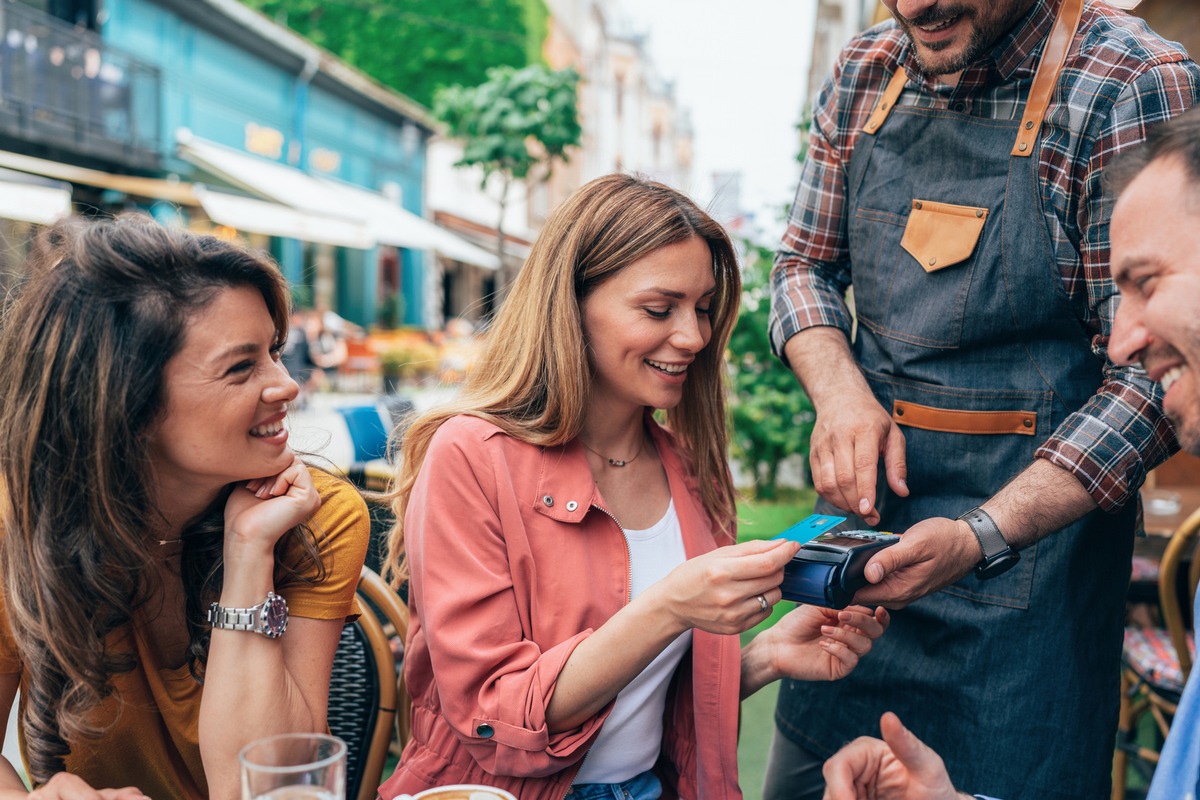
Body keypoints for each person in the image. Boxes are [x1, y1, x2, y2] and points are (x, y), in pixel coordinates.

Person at [766, 0, 1200, 797]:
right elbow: (802, 265)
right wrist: (838, 391)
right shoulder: (867, 68)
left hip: (1024, 617)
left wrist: (978, 536)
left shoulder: (1129, 82)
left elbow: (1153, 369)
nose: (915, 6)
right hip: (855, 590)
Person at [378, 173, 890, 800]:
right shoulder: (472, 456)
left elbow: (640, 708)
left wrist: (764, 657)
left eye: (703, 309)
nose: (695, 337)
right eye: (658, 309)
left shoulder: (690, 467)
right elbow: (495, 713)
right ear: (571, 303)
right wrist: (669, 606)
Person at [0, 216, 371, 800]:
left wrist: (249, 553)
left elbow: (261, 789)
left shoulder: (317, 516)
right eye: (241, 366)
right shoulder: (16, 525)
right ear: (128, 400)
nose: (287, 385)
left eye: (274, 351)